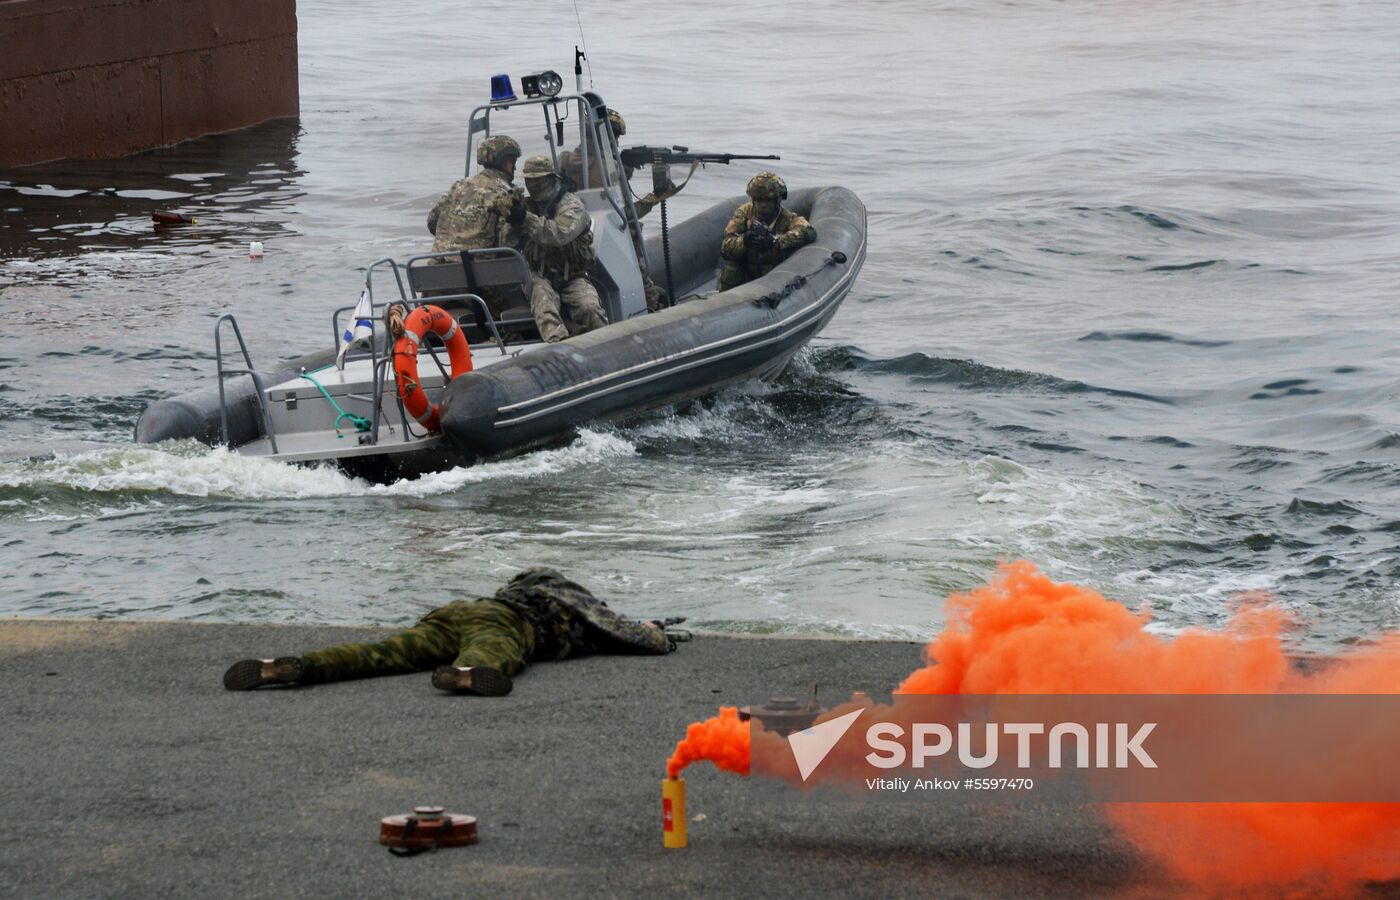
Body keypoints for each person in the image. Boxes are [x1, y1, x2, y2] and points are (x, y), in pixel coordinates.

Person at [223, 568, 680, 696]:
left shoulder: (518, 588)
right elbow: (624, 632)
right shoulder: (566, 599)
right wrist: (658, 636)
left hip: (453, 613)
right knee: (496, 655)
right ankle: (466, 674)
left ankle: (298, 667)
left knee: (382, 653)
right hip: (500, 624)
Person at [558, 108, 677, 311]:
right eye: (616, 137)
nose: (618, 142)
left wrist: (623, 170)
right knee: (648, 293)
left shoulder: (566, 160)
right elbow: (621, 215)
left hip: (578, 238)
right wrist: (654, 198)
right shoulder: (608, 166)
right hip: (613, 240)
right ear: (608, 136)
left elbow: (590, 188)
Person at [425, 134, 527, 314]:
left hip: (435, 282)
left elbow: (432, 221)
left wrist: (453, 241)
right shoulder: (506, 193)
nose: (515, 167)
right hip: (479, 286)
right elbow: (507, 242)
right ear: (505, 162)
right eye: (513, 161)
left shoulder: (459, 186)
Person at [515, 155, 609, 343]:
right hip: (539, 275)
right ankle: (558, 344)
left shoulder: (571, 205)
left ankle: (605, 345)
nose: (533, 186)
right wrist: (509, 216)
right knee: (542, 300)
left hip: (572, 276)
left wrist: (524, 219)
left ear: (550, 179)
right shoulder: (526, 206)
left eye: (538, 180)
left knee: (589, 308)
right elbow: (506, 240)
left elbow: (559, 234)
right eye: (530, 180)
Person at [717, 172, 817, 292]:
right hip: (746, 274)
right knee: (732, 266)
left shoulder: (786, 218)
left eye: (768, 200)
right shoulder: (744, 213)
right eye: (759, 200)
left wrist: (777, 241)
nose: (763, 205)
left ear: (777, 200)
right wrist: (745, 241)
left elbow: (809, 232)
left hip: (772, 274)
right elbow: (726, 248)